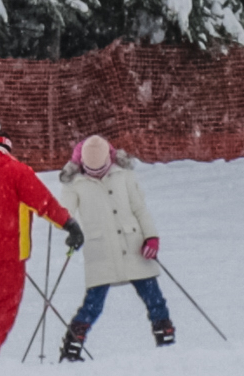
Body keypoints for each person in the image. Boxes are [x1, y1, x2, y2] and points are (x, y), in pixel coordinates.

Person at [0, 120, 84, 365]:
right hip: (10, 254)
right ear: (7, 149)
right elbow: (43, 202)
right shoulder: (17, 172)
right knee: (2, 313)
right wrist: (69, 225)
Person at [56, 134, 174, 361]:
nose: (98, 173)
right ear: (82, 165)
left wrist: (151, 236)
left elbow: (140, 208)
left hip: (134, 246)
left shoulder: (124, 175)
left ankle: (166, 341)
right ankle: (70, 351)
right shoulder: (74, 184)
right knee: (93, 305)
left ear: (109, 159)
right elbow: (65, 213)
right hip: (101, 250)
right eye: (91, 170)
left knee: (154, 298)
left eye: (102, 168)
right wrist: (68, 228)